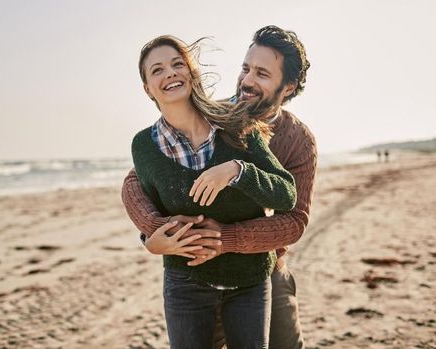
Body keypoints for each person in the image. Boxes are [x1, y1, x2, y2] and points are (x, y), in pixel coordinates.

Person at [123, 25, 316, 349]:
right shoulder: (218, 114)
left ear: (288, 86)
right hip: (199, 267)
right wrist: (157, 232)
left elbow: (294, 220)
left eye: (262, 74)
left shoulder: (298, 141)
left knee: (286, 342)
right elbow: (136, 181)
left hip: (263, 264)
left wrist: (224, 239)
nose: (247, 81)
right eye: (245, 68)